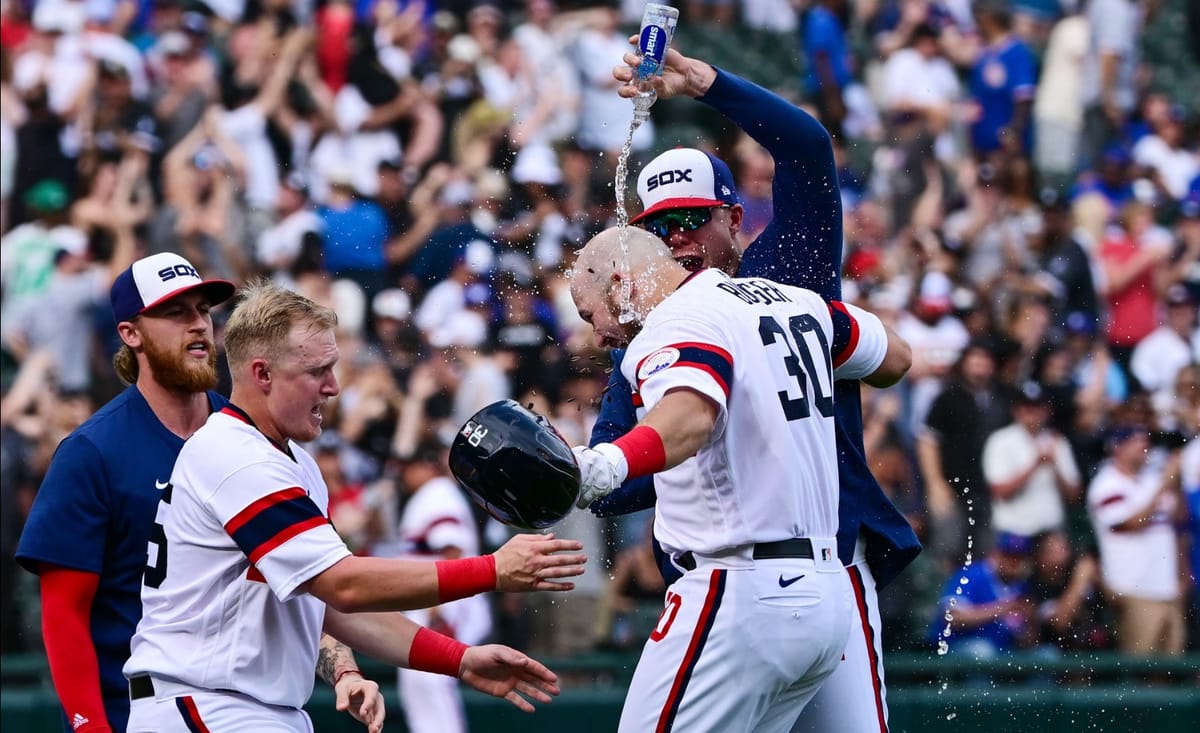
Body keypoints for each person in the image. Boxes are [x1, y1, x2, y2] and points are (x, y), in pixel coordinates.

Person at [594, 39, 921, 731]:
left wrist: (705, 82)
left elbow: (805, 147)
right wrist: (628, 358)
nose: (675, 239)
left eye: (691, 220)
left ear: (734, 219)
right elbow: (622, 488)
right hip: (724, 580)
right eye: (657, 228)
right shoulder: (658, 324)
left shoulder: (787, 274)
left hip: (816, 553)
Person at [122, 280, 586, 731]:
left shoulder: (291, 461)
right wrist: (492, 571)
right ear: (261, 374)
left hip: (242, 705)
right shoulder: (236, 456)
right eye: (316, 371)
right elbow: (343, 585)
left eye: (333, 367)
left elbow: (329, 604)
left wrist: (457, 658)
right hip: (205, 702)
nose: (333, 387)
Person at [14, 253, 386, 733]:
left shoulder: (254, 439)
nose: (197, 325)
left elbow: (301, 578)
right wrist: (90, 728)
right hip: (138, 708)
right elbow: (64, 614)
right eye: (175, 313)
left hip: (239, 707)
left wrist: (343, 668)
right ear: (131, 334)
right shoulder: (93, 451)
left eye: (203, 310)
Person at [570, 229, 911, 731]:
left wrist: (608, 464)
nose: (597, 336)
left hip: (740, 592)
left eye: (589, 314)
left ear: (621, 283)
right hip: (826, 594)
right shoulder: (794, 301)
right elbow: (896, 357)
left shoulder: (673, 322)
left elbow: (690, 415)